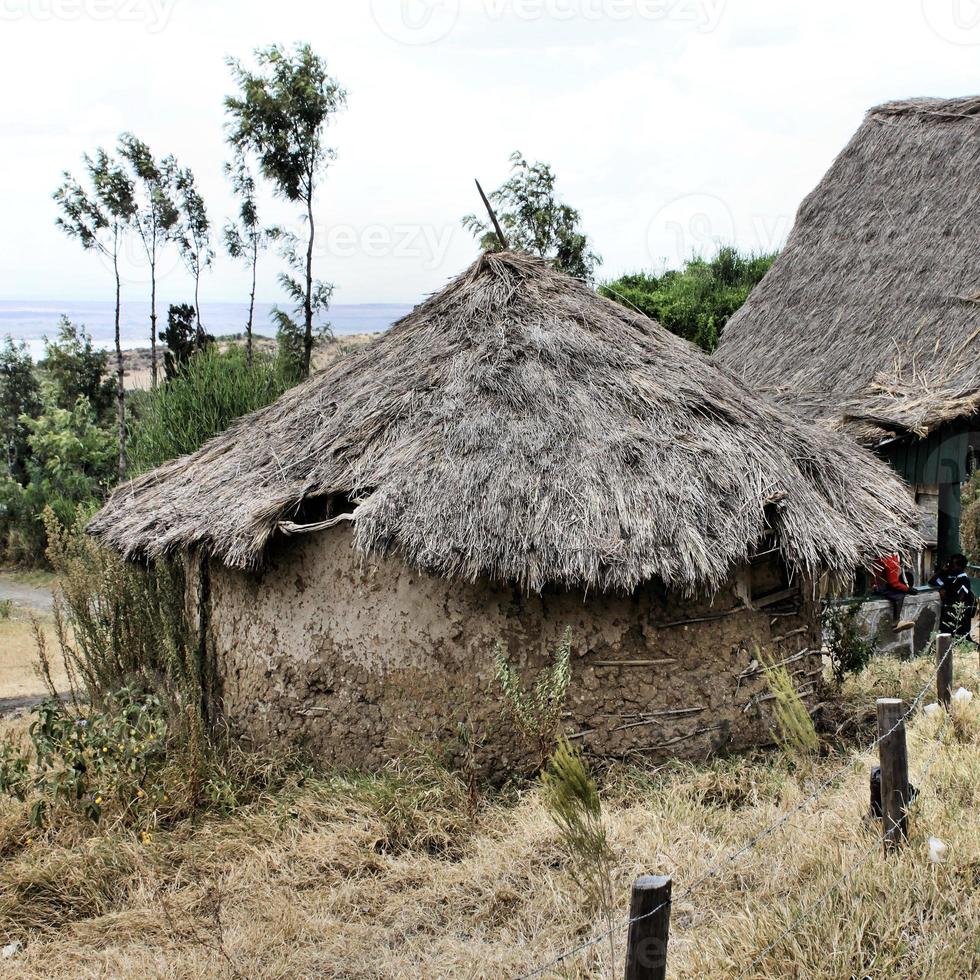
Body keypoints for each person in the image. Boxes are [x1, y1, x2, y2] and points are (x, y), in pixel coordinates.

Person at [929, 554, 977, 640]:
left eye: (952, 564)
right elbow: (932, 581)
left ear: (959, 566)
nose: (950, 565)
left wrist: (945, 598)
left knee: (960, 638)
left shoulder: (963, 580)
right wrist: (942, 570)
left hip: (958, 616)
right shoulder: (950, 577)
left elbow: (960, 600)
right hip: (947, 614)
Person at [870, 553, 915, 631]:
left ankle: (897, 622)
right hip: (880, 587)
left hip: (878, 585)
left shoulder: (887, 555)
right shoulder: (891, 559)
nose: (910, 557)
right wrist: (908, 589)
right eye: (908, 555)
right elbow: (893, 583)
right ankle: (896, 622)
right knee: (900, 594)